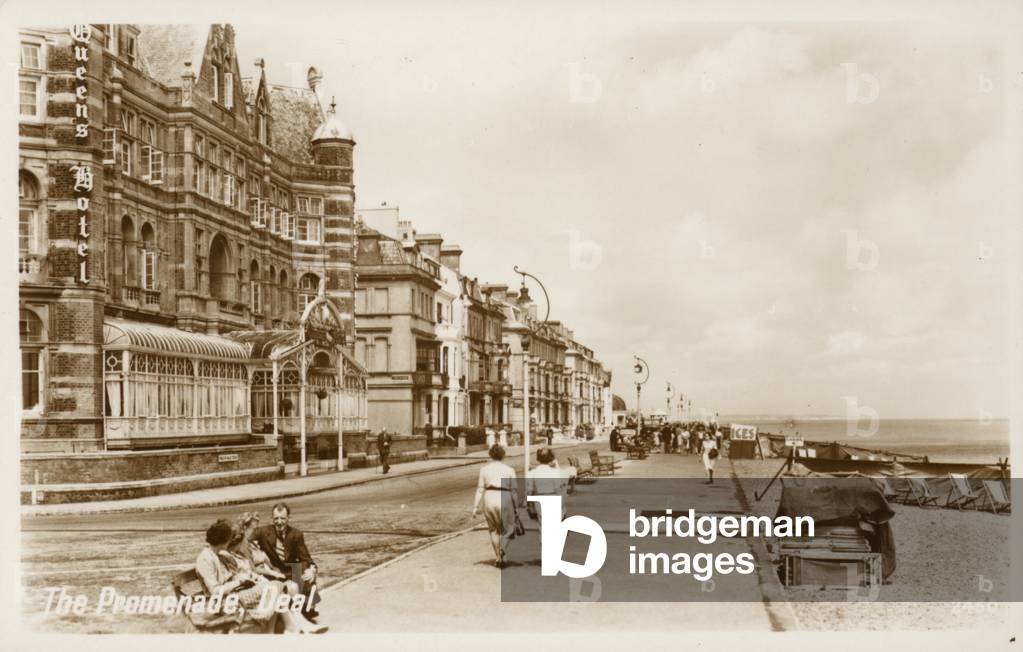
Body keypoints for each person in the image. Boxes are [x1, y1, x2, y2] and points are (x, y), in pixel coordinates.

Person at [196, 519, 327, 634]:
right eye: (229, 539)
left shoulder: (217, 554)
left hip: (235, 594)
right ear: (223, 540)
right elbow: (215, 591)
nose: (230, 542)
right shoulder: (205, 558)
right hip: (224, 602)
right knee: (275, 587)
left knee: (275, 589)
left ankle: (291, 626)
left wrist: (248, 578)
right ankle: (288, 627)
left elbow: (232, 576)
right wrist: (239, 581)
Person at [254, 502, 322, 621]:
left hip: (290, 570)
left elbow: (306, 558)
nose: (279, 522)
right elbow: (243, 538)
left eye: (283, 518)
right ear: (271, 518)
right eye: (276, 518)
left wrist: (312, 570)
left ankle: (307, 608)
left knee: (307, 571)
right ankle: (298, 612)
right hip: (273, 571)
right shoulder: (262, 532)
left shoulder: (296, 534)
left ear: (288, 518)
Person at [471, 445, 518, 567]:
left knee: (493, 530)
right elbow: (514, 491)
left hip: (489, 497)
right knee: (509, 528)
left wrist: (475, 507)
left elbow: (480, 489)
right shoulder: (509, 470)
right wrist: (517, 507)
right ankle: (503, 549)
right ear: (503, 455)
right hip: (505, 496)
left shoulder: (484, 470)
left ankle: (498, 558)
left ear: (490, 455)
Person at [526, 447, 570, 531]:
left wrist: (529, 505)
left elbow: (529, 491)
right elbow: (559, 490)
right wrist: (562, 507)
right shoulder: (555, 472)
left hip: (539, 500)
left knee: (542, 527)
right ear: (551, 458)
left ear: (538, 458)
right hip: (553, 499)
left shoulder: (532, 473)